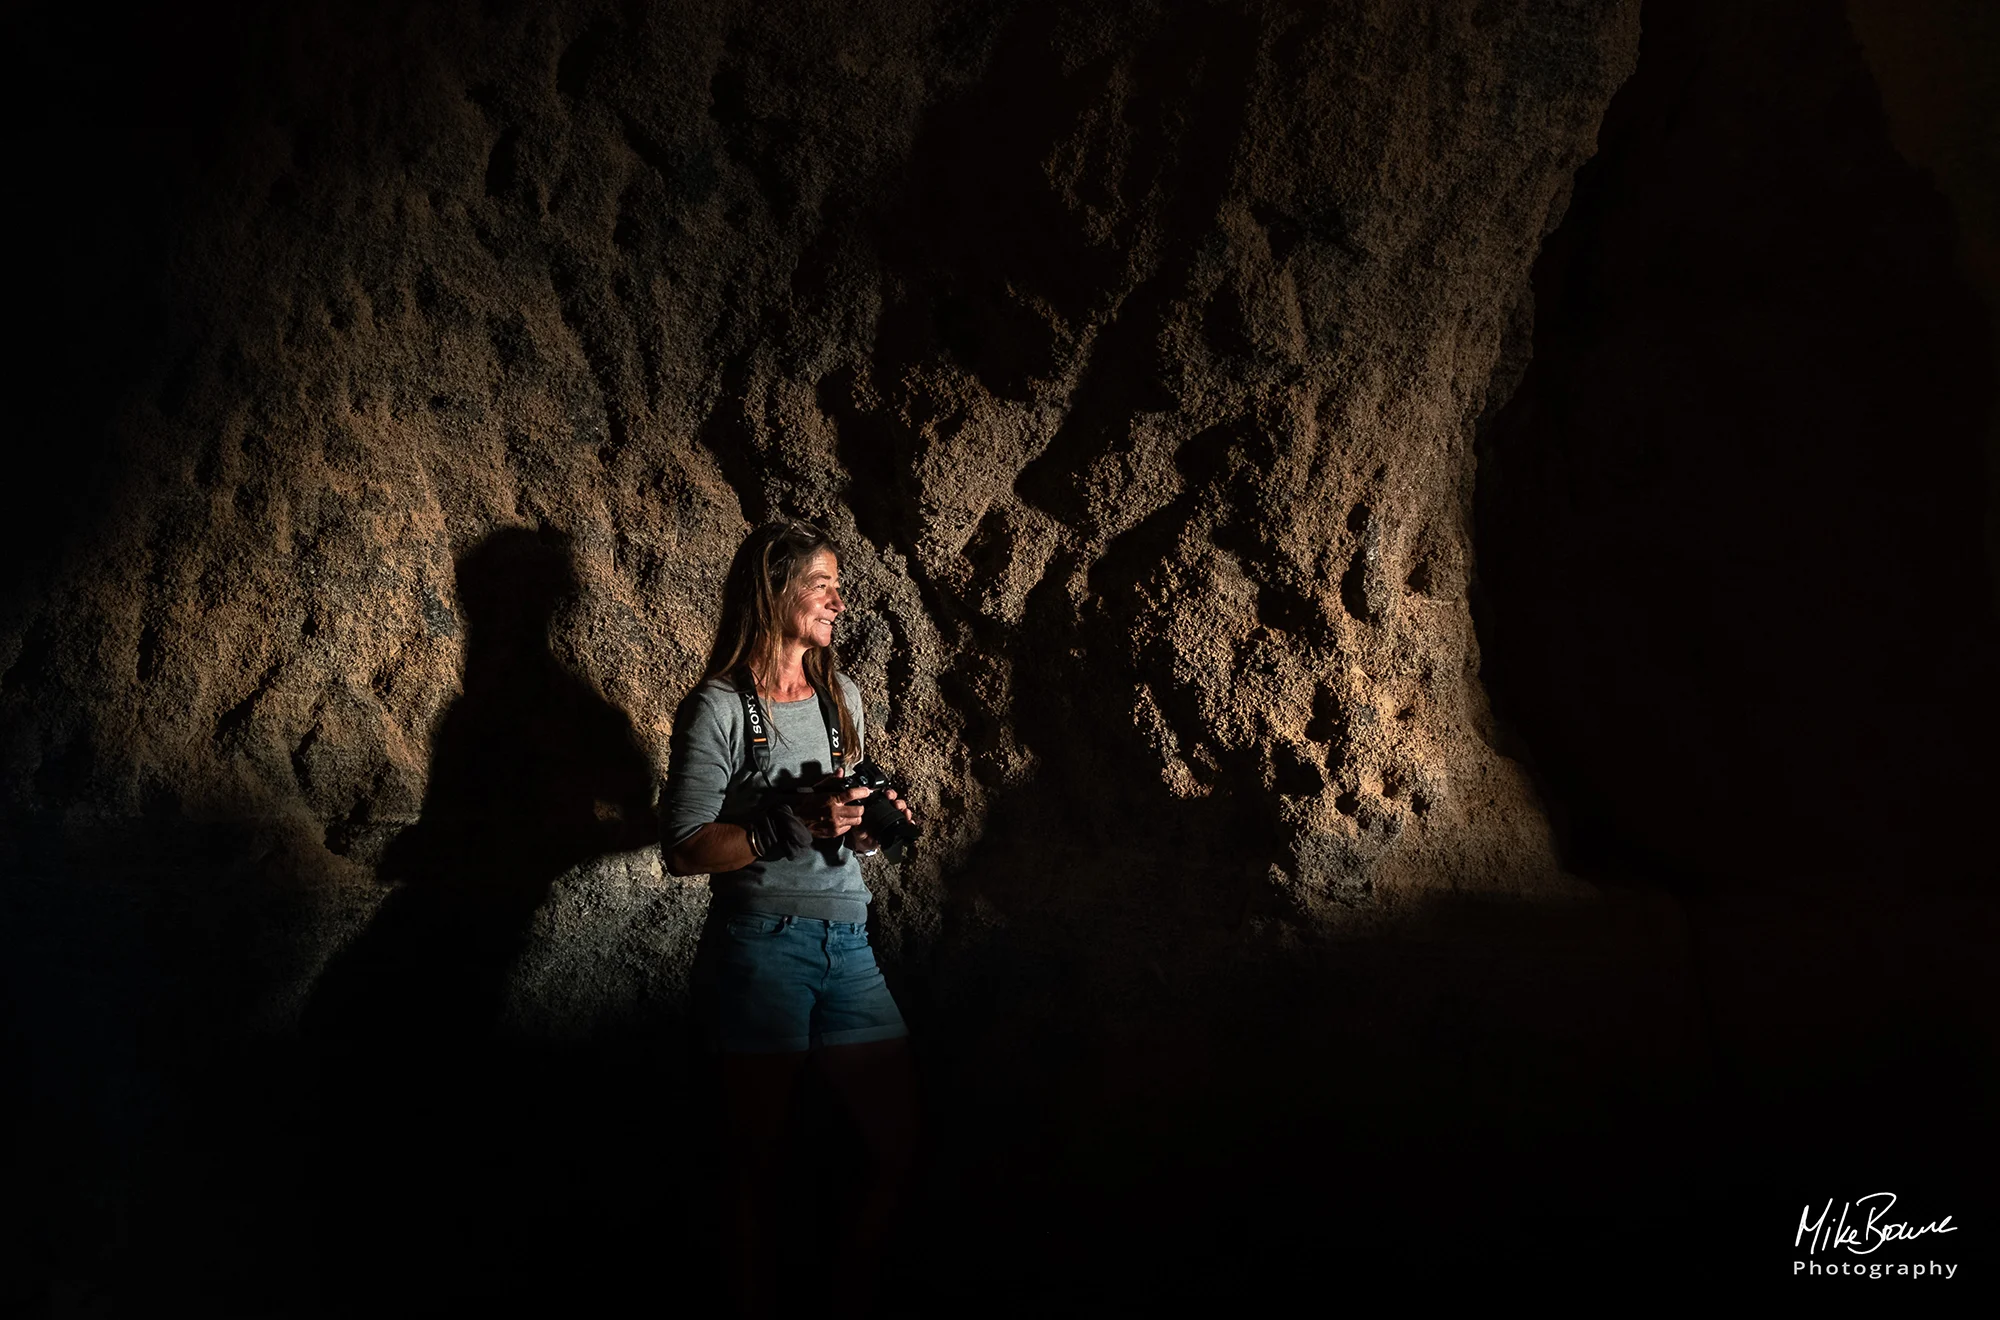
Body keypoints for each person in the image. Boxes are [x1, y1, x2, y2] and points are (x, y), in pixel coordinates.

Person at [662, 518, 920, 1319]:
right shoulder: (717, 705)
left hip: (849, 943)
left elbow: (842, 828)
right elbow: (683, 848)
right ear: (775, 590)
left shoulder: (843, 698)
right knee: (755, 1165)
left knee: (896, 1147)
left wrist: (872, 827)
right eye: (822, 584)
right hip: (761, 947)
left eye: (838, 585)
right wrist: (782, 827)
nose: (839, 601)